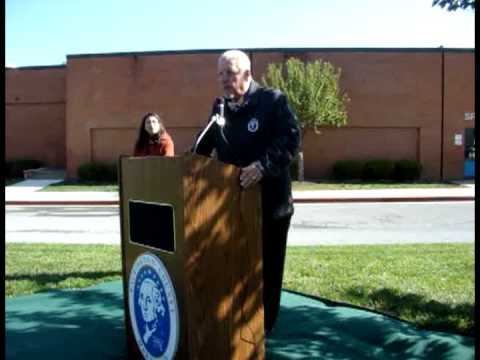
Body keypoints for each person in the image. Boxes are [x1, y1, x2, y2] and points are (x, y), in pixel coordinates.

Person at [193, 49, 300, 333]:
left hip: (271, 206)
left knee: (267, 270)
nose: (224, 79)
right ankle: (236, 322)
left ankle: (264, 329)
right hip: (232, 205)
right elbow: (202, 147)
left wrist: (262, 166)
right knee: (236, 266)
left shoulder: (272, 101)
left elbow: (290, 139)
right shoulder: (220, 108)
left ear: (247, 74)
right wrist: (183, 165)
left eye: (230, 72)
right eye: (220, 74)